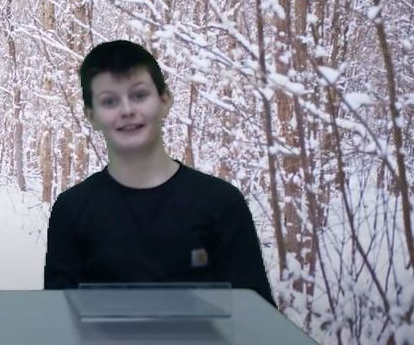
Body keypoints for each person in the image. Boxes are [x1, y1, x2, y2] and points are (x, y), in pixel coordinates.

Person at [44, 40, 275, 305]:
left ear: (164, 101)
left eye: (139, 95)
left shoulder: (222, 203)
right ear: (91, 115)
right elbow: (58, 323)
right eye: (109, 101)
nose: (127, 110)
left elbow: (257, 319)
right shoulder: (71, 209)